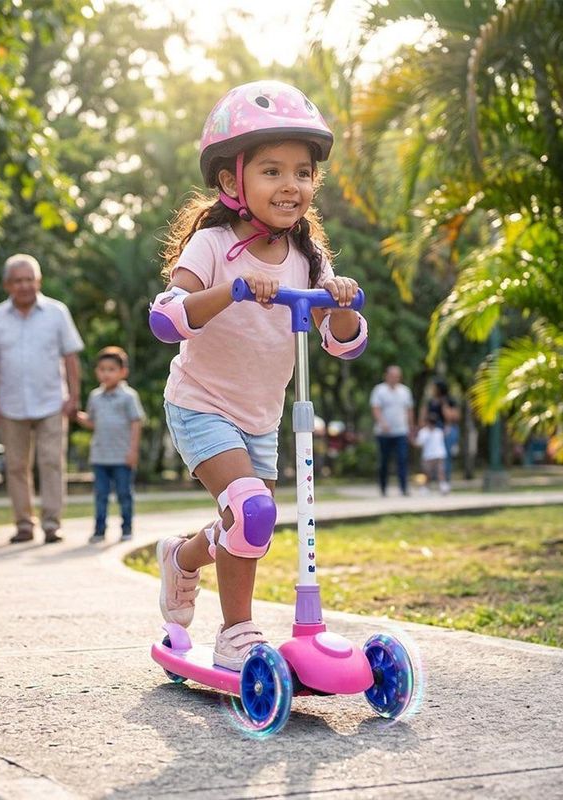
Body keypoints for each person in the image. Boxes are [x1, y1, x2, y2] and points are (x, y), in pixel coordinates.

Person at [148, 80, 368, 671]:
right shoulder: (213, 245)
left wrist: (340, 302)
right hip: (200, 404)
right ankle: (237, 633)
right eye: (272, 171)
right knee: (251, 511)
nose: (291, 185)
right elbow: (167, 318)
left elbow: (342, 343)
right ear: (231, 181)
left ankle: (184, 559)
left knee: (249, 526)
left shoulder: (310, 256)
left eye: (302, 172)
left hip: (262, 417)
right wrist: (234, 289)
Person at [0, 254, 83, 544]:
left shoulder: (57, 312)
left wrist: (74, 395)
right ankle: (24, 524)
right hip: (11, 404)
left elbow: (70, 356)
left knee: (51, 462)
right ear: (7, 285)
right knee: (15, 466)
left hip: (52, 401)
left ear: (38, 281)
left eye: (29, 279)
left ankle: (52, 524)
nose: (24, 285)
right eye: (18, 281)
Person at [76, 346, 145, 543]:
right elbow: (92, 421)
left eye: (111, 369)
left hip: (122, 456)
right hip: (100, 456)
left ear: (123, 372)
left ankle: (127, 528)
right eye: (102, 369)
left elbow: (136, 422)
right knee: (100, 496)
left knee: (124, 494)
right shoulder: (95, 397)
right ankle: (99, 530)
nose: (106, 373)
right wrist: (78, 416)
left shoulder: (128, 396)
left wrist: (133, 450)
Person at [370, 365, 415, 496]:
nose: (395, 378)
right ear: (387, 376)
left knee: (402, 459)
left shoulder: (405, 391)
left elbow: (409, 410)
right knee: (384, 461)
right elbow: (376, 409)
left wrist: (411, 427)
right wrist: (382, 423)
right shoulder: (379, 390)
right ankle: (383, 488)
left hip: (401, 431)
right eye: (392, 375)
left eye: (397, 376)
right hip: (383, 433)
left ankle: (404, 488)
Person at [421, 378, 460, 488]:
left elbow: (453, 417)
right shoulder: (430, 401)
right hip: (432, 431)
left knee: (444, 456)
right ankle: (431, 482)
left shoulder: (449, 401)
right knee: (429, 458)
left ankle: (445, 481)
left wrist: (444, 405)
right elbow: (424, 416)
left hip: (446, 430)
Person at [415, 412, 449, 494]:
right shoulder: (424, 432)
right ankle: (425, 488)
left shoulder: (438, 431)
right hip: (429, 456)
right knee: (427, 473)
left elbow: (418, 444)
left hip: (438, 454)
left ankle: (442, 486)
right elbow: (419, 443)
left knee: (440, 472)